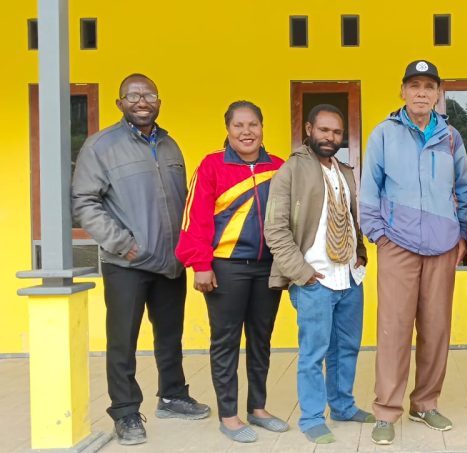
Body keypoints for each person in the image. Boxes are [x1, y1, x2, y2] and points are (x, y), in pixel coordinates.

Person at [72, 73, 209, 446]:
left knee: (170, 336)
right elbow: (85, 202)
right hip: (127, 264)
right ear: (120, 103)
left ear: (159, 101)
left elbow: (184, 202)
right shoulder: (101, 146)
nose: (142, 101)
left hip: (170, 262)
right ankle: (126, 412)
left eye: (149, 94)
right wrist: (123, 244)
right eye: (132, 95)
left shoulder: (169, 146)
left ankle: (173, 395)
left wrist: (186, 249)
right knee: (123, 341)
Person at [359, 59, 467, 445]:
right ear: (402, 91)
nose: (421, 92)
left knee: (436, 329)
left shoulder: (451, 137)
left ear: (439, 93)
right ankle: (387, 410)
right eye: (414, 85)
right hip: (398, 245)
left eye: (429, 86)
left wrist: (462, 235)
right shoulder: (383, 135)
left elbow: (464, 189)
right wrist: (379, 235)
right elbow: (369, 190)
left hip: (442, 247)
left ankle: (425, 403)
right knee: (393, 329)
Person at [175, 100, 288, 443]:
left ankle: (258, 407)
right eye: (238, 125)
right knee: (225, 342)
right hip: (225, 269)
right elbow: (195, 219)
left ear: (262, 128)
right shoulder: (211, 166)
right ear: (227, 130)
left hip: (267, 268)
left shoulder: (279, 167)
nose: (246, 132)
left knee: (261, 340)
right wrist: (200, 265)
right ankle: (229, 415)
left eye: (253, 124)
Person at [264, 104, 372, 444]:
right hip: (315, 281)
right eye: (324, 130)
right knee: (313, 352)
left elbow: (354, 221)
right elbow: (275, 230)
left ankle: (342, 405)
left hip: (349, 278)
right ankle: (312, 417)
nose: (330, 137)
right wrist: (303, 273)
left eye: (337, 133)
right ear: (309, 129)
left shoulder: (345, 170)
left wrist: (360, 258)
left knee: (348, 347)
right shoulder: (291, 171)